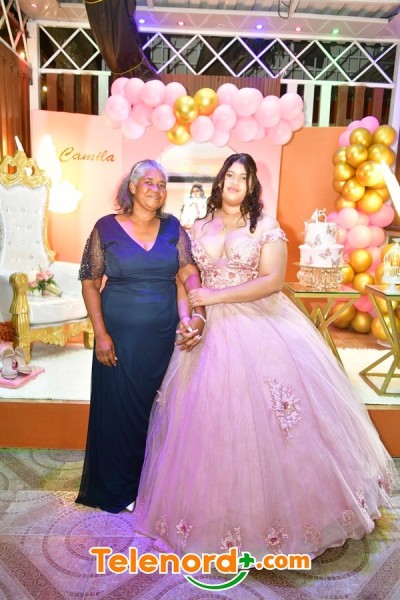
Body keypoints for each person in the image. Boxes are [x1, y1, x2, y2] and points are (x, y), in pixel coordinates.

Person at [134, 153, 397, 560]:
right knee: (205, 425)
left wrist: (215, 297)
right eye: (230, 174)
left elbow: (272, 282)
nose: (235, 182)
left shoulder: (266, 227)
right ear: (220, 180)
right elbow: (183, 280)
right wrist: (188, 318)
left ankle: (282, 520)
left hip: (258, 323)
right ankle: (213, 517)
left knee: (272, 424)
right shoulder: (196, 226)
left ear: (252, 185)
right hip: (205, 328)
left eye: (244, 177)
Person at [76, 159, 206, 514]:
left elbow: (187, 270)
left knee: (158, 410)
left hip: (164, 337)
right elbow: (90, 282)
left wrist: (198, 311)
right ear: (132, 187)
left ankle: (153, 487)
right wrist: (100, 334)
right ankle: (117, 486)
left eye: (162, 184)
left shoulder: (173, 227)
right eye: (148, 182)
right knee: (119, 410)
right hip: (117, 336)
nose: (156, 189)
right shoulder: (105, 227)